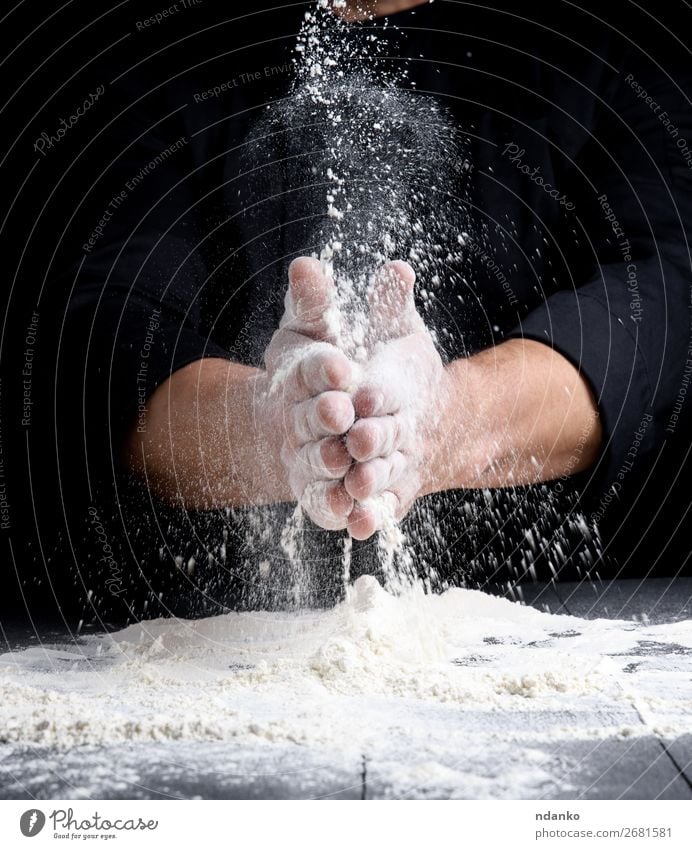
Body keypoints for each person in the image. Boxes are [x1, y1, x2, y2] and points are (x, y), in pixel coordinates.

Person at [14, 0, 690, 617]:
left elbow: (663, 298)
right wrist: (275, 428)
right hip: (195, 638)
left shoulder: (606, 36)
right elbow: (101, 335)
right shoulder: (162, 43)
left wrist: (441, 423)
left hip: (584, 619)